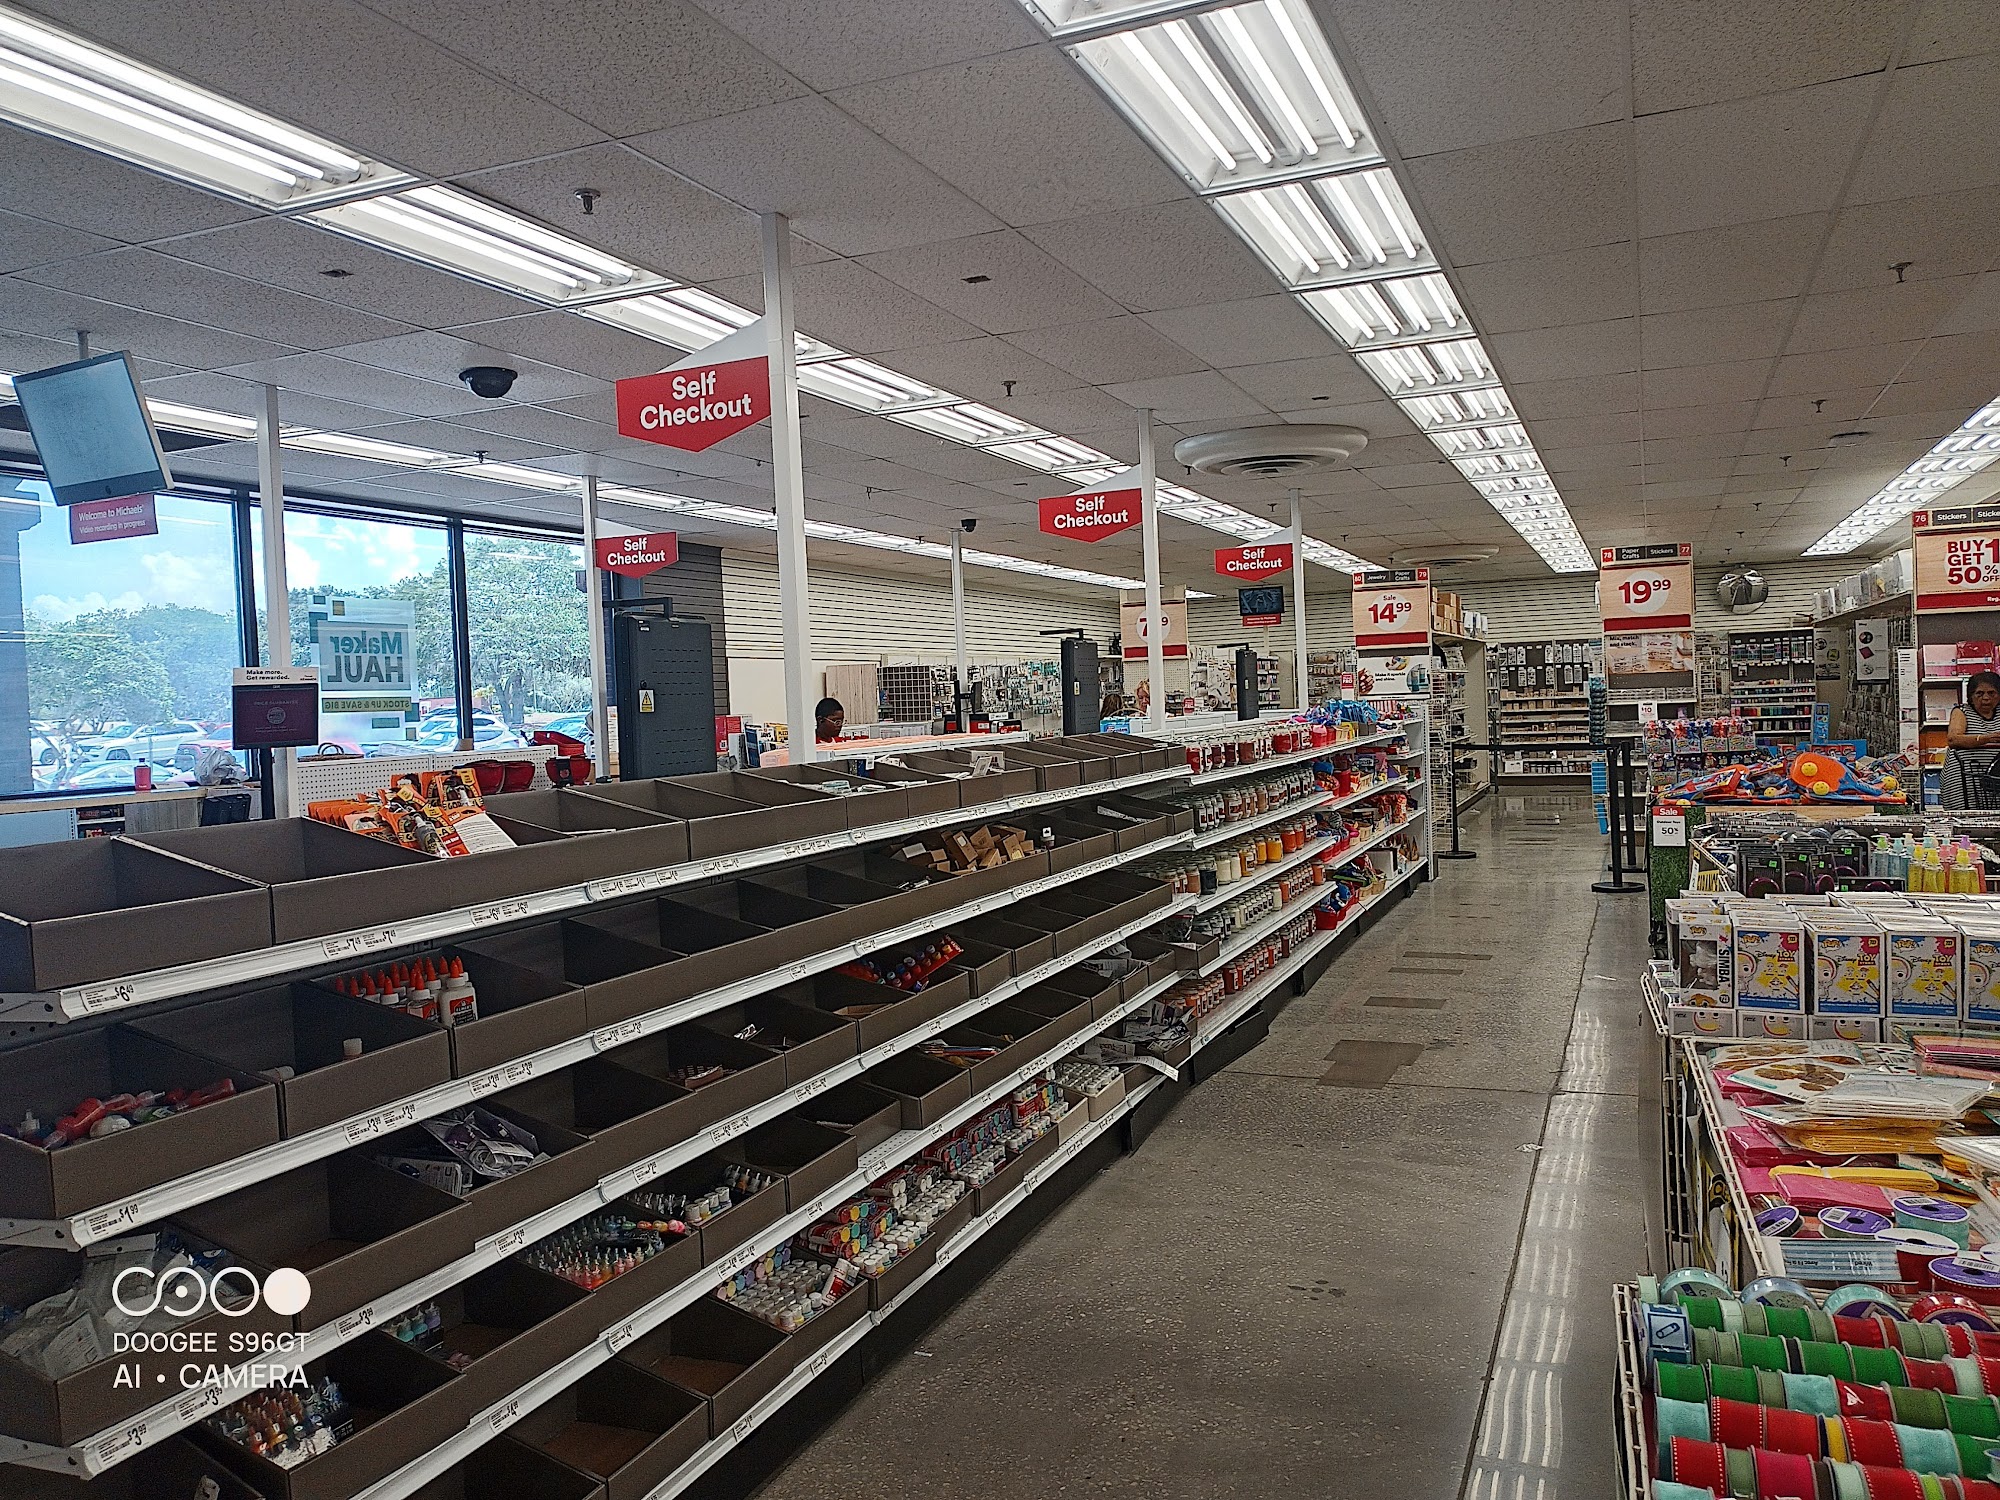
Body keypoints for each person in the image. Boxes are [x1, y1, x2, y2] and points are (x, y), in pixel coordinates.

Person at [1942, 670, 2000, 809]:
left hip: (1994, 781)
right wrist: (1986, 739)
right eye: (1979, 693)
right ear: (1971, 696)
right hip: (1964, 777)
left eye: (1991, 693)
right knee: (1966, 814)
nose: (1986, 698)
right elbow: (1953, 739)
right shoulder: (1962, 712)